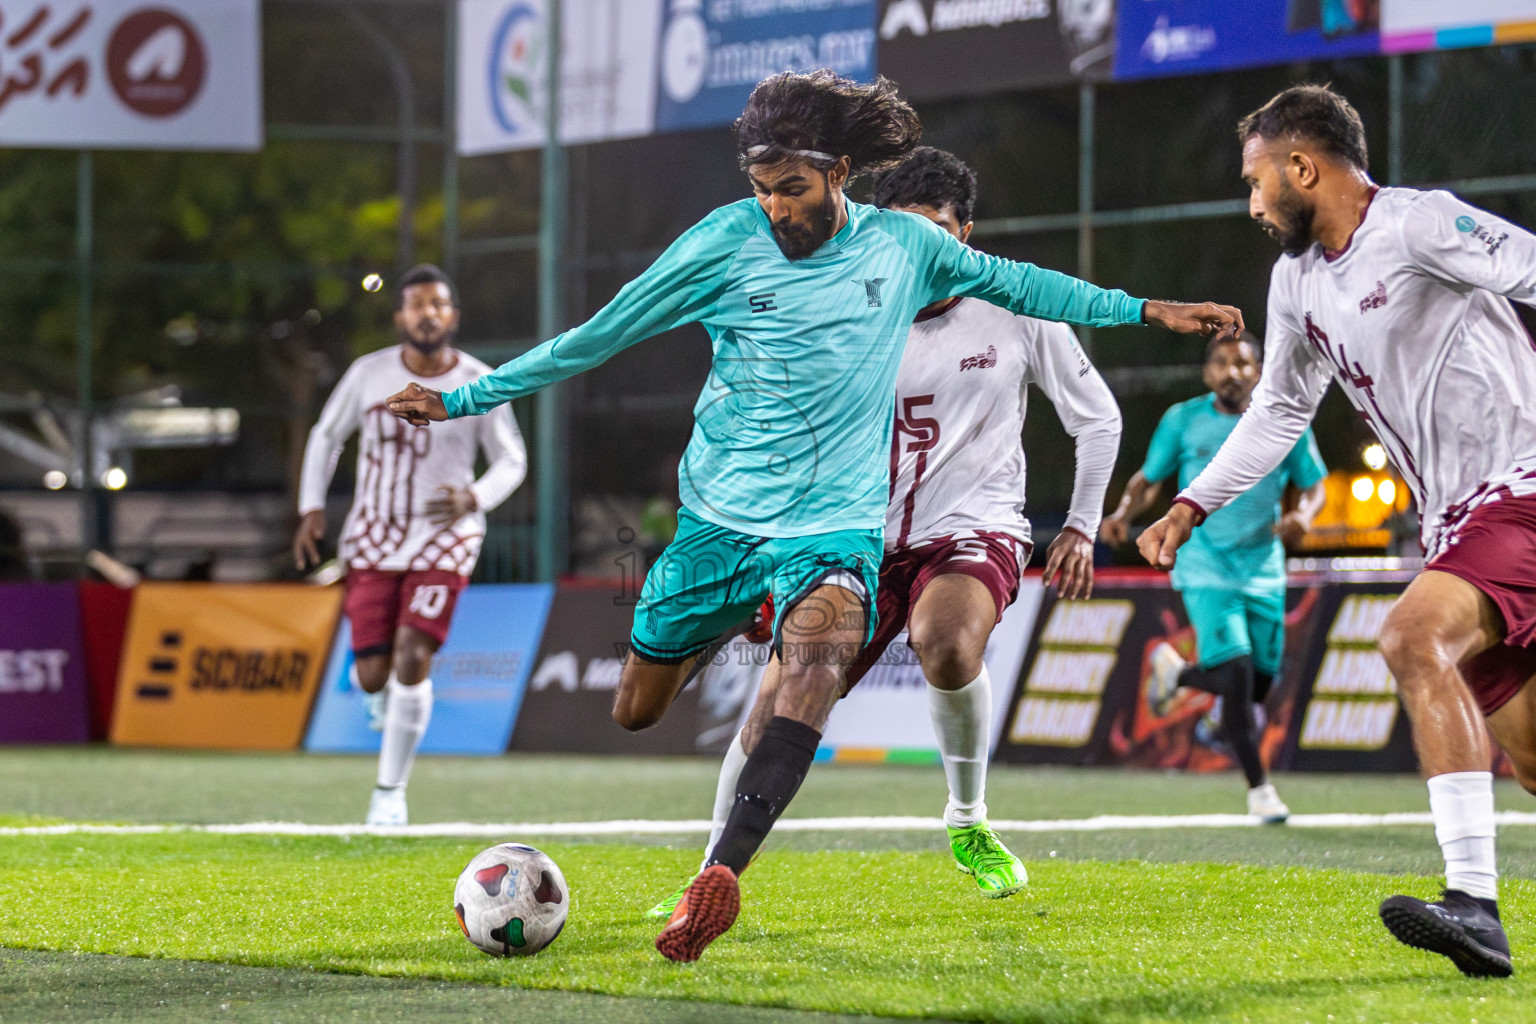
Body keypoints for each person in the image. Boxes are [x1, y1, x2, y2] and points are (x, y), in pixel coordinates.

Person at [386, 70, 1241, 962]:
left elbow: (1028, 285)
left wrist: (1147, 310)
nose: (775, 209)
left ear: (838, 173)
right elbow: (598, 334)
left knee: (817, 663)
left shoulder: (906, 248)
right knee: (638, 709)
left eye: (791, 188)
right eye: (761, 189)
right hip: (720, 516)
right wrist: (465, 399)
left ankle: (718, 880)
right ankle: (707, 688)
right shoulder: (723, 241)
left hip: (835, 526)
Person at [645, 146, 1122, 917]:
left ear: (966, 233)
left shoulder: (1018, 304)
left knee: (950, 640)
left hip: (974, 526)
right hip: (854, 535)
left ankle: (967, 819)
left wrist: (1080, 526)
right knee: (773, 708)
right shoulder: (845, 304)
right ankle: (708, 871)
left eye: (938, 232)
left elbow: (1097, 419)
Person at [1137, 83, 1536, 978]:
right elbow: (1280, 410)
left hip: (1526, 486)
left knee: (1410, 635)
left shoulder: (1419, 225)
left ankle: (1474, 906)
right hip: (1458, 520)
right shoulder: (1297, 281)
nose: (1250, 203)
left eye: (1255, 180)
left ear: (1302, 166)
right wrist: (1192, 501)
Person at [294, 264, 526, 827]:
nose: (427, 313)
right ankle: (383, 700)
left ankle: (389, 793)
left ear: (453, 316)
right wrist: (311, 507)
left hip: (445, 538)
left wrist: (475, 497)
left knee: (412, 656)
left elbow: (512, 460)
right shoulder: (368, 374)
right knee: (373, 674)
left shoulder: (478, 380)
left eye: (438, 304)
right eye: (416, 304)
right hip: (373, 535)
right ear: (399, 316)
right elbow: (328, 436)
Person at [1100, 330, 1325, 822]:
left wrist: (1303, 518)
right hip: (1203, 561)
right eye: (1222, 362)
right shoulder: (1182, 421)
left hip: (1263, 564)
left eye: (1243, 363)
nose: (1232, 372)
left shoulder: (1285, 422)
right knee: (1239, 673)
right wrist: (1121, 512)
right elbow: (1149, 479)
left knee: (1260, 684)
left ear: (1260, 372)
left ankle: (1177, 673)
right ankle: (1260, 790)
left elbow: (1314, 487)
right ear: (1207, 373)